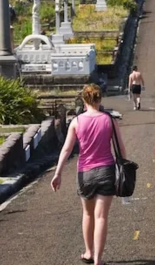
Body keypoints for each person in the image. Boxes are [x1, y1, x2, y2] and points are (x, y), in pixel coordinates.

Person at [51, 84, 127, 265]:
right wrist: (124, 169)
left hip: (85, 172)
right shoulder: (109, 120)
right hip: (106, 170)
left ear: (84, 100)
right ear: (99, 100)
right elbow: (121, 149)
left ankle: (88, 252)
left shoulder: (77, 122)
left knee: (87, 214)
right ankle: (98, 260)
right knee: (101, 216)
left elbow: (67, 149)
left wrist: (58, 173)